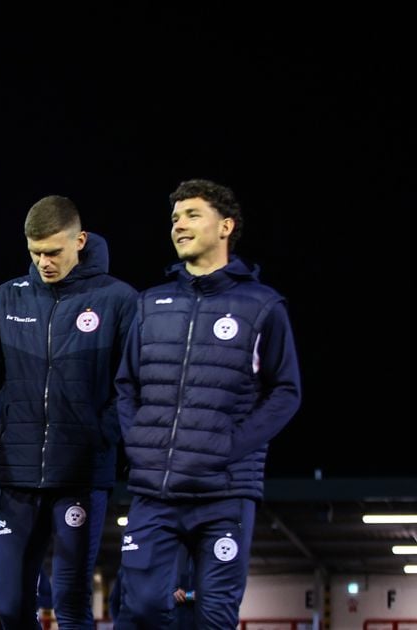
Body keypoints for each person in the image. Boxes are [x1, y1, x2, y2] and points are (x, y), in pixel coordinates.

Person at [0, 196, 137, 629]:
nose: (44, 262)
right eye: (35, 253)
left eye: (53, 252)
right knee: (8, 607)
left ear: (79, 240)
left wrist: (102, 438)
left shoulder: (118, 300)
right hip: (18, 478)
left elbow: (132, 387)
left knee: (70, 603)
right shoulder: (7, 300)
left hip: (81, 478)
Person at [114, 179, 300, 629]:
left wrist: (228, 447)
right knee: (138, 608)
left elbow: (286, 392)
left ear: (226, 226)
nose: (179, 225)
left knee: (214, 615)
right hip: (155, 491)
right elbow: (125, 384)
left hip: (225, 492)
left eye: (192, 215)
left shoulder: (262, 306)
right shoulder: (150, 304)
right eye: (175, 218)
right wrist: (138, 443)